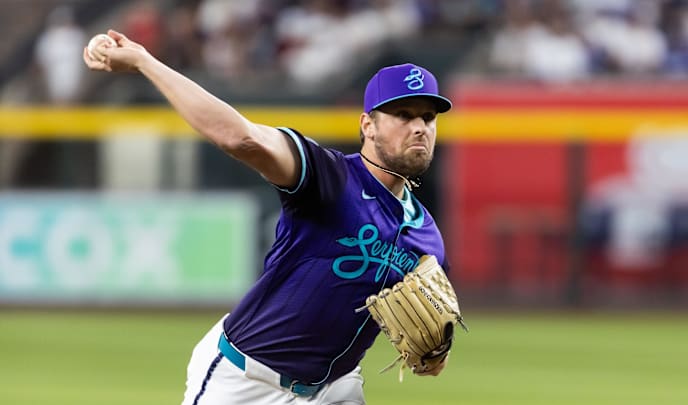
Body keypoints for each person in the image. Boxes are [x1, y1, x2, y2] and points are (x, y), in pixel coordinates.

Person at [84, 29, 453, 405]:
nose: (420, 127)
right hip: (248, 380)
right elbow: (242, 139)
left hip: (335, 390)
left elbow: (433, 348)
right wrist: (145, 61)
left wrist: (435, 354)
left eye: (428, 117)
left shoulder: (428, 240)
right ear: (367, 125)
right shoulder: (329, 178)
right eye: (403, 115)